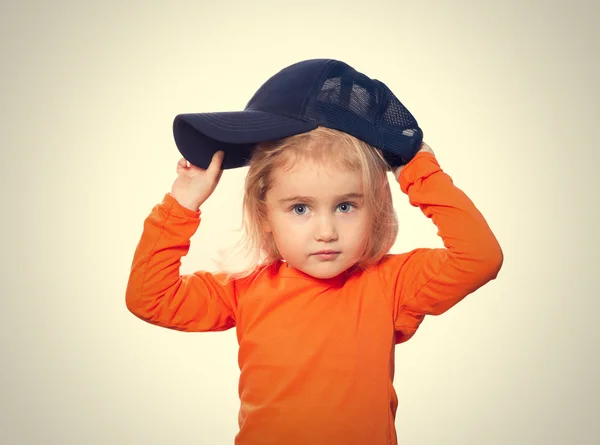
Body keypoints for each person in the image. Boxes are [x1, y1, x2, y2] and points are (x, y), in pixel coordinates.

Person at [125, 59, 503, 445]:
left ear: (376, 207)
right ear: (264, 213)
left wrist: (416, 169)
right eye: (300, 208)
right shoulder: (244, 290)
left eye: (345, 206)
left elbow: (479, 258)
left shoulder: (392, 284)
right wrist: (182, 204)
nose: (326, 232)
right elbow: (149, 298)